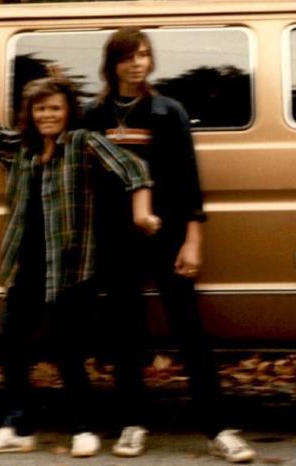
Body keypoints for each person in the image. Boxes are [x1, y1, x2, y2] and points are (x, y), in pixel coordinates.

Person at [83, 27, 256, 463]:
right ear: (113, 64)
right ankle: (131, 423)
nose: (137, 63)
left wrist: (192, 240)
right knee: (126, 333)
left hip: (167, 234)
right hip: (116, 240)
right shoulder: (94, 113)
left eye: (143, 55)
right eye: (128, 57)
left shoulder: (167, 111)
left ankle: (218, 428)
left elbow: (188, 180)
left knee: (189, 332)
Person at [0, 72, 160, 457]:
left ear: (68, 110)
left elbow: (134, 170)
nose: (47, 115)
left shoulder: (83, 143)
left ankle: (83, 428)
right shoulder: (22, 149)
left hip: (71, 267)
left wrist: (143, 213)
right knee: (10, 345)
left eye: (55, 108)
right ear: (31, 113)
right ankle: (18, 428)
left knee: (67, 350)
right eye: (40, 109)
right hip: (26, 266)